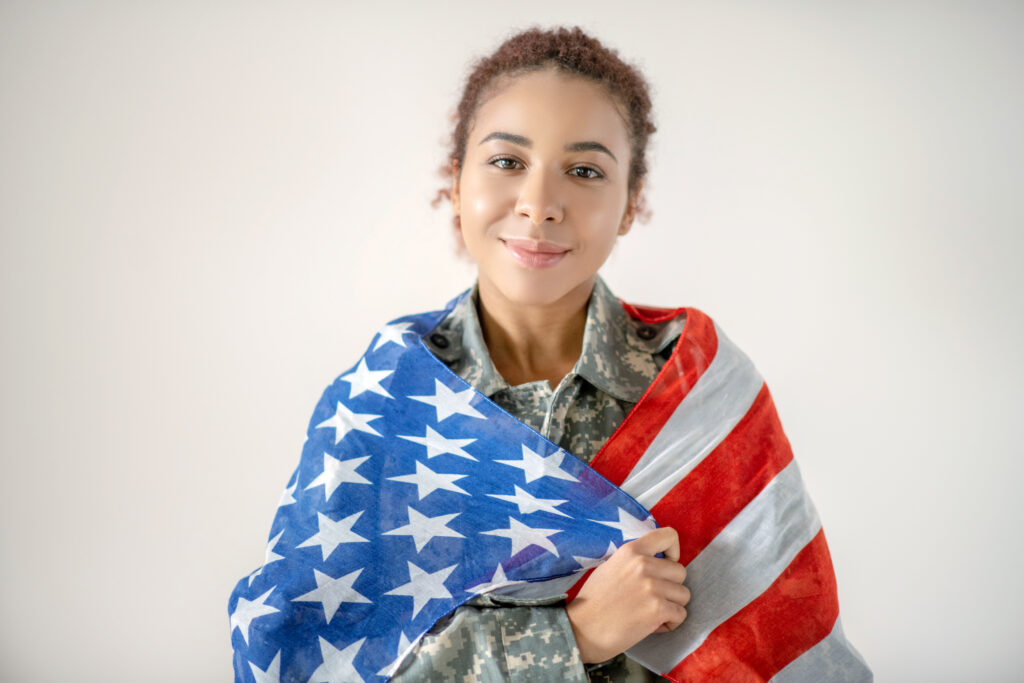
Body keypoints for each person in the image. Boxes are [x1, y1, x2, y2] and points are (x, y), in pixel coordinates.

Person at [228, 26, 872, 683]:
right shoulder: (381, 399)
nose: (538, 206)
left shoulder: (699, 391)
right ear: (456, 182)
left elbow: (787, 650)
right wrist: (571, 635)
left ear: (631, 204)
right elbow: (299, 660)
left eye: (586, 171)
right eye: (508, 161)